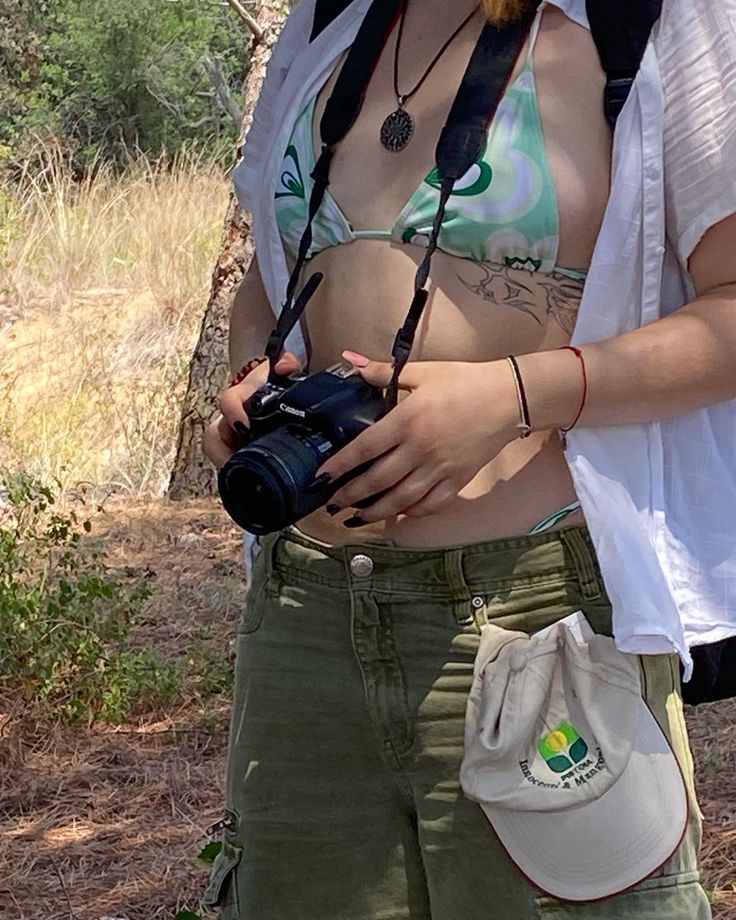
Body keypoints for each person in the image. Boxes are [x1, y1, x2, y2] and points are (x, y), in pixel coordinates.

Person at [202, 0, 736, 916]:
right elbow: (271, 267)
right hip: (304, 613)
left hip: (538, 615)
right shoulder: (327, 23)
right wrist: (258, 372)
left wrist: (513, 395)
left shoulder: (654, 20)